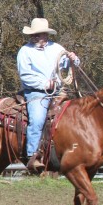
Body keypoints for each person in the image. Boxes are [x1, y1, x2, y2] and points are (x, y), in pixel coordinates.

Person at [17, 18, 80, 173]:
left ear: (46, 35)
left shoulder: (57, 48)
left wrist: (74, 59)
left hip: (57, 91)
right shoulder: (25, 51)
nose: (36, 37)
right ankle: (32, 155)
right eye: (34, 35)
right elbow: (25, 75)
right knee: (37, 119)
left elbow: (66, 64)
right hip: (36, 92)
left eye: (39, 34)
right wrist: (44, 84)